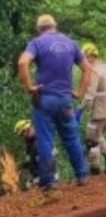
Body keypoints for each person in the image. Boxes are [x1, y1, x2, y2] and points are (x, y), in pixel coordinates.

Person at [16, 14, 91, 197]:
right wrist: (79, 92)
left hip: (45, 99)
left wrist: (29, 87)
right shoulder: (70, 43)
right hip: (65, 99)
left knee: (45, 140)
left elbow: (22, 62)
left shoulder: (37, 43)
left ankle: (49, 182)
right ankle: (82, 175)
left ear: (39, 29)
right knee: (71, 137)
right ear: (54, 26)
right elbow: (88, 69)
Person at [79, 43, 106, 174]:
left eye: (84, 57)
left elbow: (90, 94)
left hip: (99, 109)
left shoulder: (94, 71)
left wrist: (81, 109)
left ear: (89, 56)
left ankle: (95, 168)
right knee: (98, 135)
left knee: (91, 138)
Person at [12, 119, 39, 191]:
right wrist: (20, 166)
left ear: (27, 129)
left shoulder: (40, 142)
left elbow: (48, 165)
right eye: (21, 135)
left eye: (23, 133)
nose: (23, 136)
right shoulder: (30, 144)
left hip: (46, 178)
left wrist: (36, 182)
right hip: (37, 178)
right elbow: (32, 162)